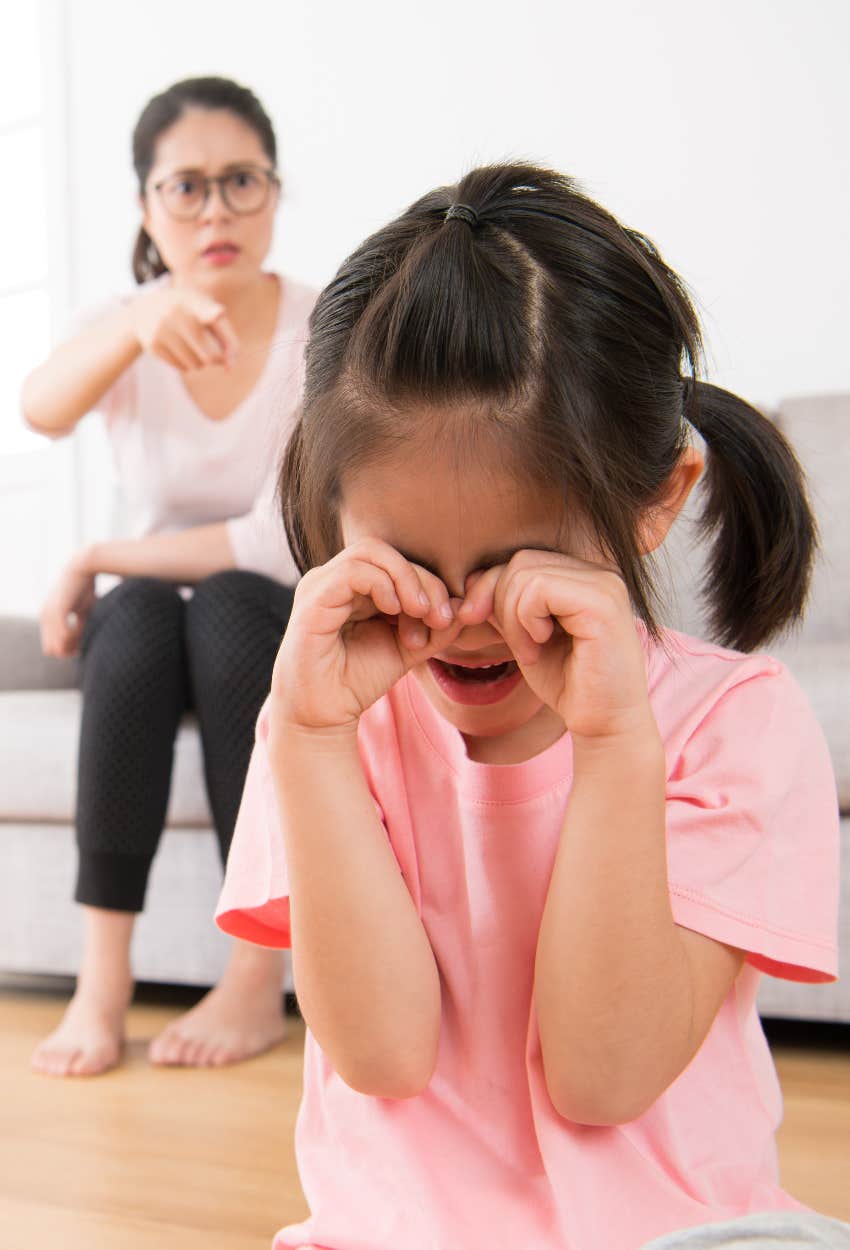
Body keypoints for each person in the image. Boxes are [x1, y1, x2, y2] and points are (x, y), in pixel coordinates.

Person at [215, 163, 843, 1250]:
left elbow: (605, 1076)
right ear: (328, 506)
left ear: (657, 501)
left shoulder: (737, 720)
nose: (461, 616)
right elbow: (380, 1054)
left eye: (519, 564)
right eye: (409, 560)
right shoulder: (326, 727)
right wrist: (312, 744)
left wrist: (612, 746)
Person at [21, 76, 317, 1078]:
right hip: (146, 623)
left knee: (231, 610)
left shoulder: (326, 329)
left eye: (240, 182)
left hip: (260, 608)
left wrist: (96, 554)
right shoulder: (128, 324)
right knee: (141, 619)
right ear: (147, 207)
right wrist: (134, 327)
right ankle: (102, 982)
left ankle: (250, 979)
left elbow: (283, 538)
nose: (217, 211)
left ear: (275, 191)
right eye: (185, 188)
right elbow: (40, 408)